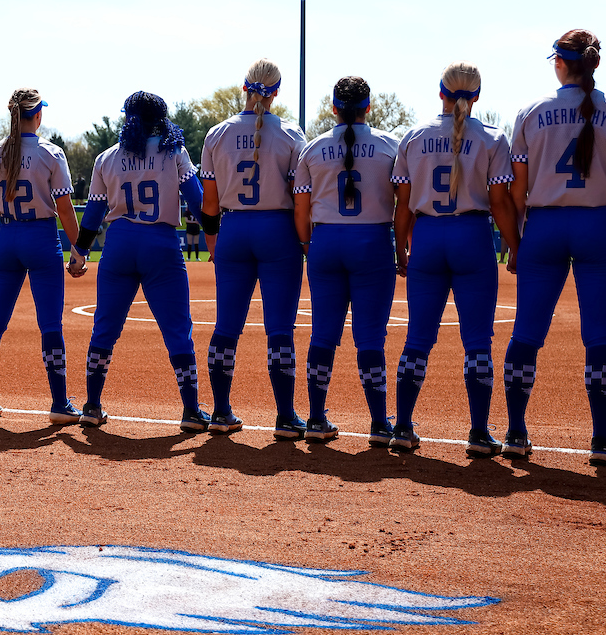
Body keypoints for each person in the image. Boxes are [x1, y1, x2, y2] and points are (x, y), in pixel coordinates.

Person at [506, 30, 606, 465]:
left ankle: (516, 433)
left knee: (526, 332)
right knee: (600, 335)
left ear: (560, 64)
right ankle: (601, 439)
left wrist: (516, 242)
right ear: (594, 65)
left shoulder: (532, 111)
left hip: (543, 225)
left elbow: (517, 191)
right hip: (599, 224)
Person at [391, 63, 520, 456]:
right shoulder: (493, 138)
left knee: (417, 337)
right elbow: (499, 202)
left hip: (428, 237)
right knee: (478, 341)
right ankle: (479, 434)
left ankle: (401, 427)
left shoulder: (414, 136)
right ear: (477, 96)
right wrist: (516, 245)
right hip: (472, 236)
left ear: (440, 92)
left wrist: (400, 247)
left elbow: (403, 206)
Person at [68, 91, 210, 431]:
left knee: (105, 328)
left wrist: (78, 253)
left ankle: (91, 405)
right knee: (177, 330)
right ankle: (191, 410)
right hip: (160, 244)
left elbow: (94, 213)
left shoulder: (106, 157)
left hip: (117, 245)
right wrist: (218, 234)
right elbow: (197, 201)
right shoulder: (173, 151)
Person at [199, 59, 307, 437]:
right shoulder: (293, 135)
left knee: (226, 326)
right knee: (280, 329)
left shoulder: (217, 133)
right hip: (278, 230)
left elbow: (209, 206)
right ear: (276, 91)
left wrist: (215, 241)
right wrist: (304, 242)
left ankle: (221, 411)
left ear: (244, 87)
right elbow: (300, 198)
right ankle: (285, 417)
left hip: (233, 229)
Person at [293, 77, 399, 443]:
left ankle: (316, 419)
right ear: (368, 107)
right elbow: (404, 205)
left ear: (333, 107)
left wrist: (309, 245)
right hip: (372, 242)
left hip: (325, 242)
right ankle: (379, 424)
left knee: (322, 334)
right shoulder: (390, 146)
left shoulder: (313, 149)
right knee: (370, 336)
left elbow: (300, 210)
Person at [0, 89, 83, 424]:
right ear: (37, 115)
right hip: (40, 237)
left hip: (6, 238)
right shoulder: (50, 153)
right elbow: (64, 208)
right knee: (50, 324)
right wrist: (78, 249)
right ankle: (60, 403)